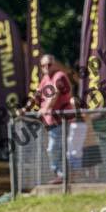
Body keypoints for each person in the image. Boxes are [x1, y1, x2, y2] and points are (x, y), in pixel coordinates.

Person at [28, 54, 72, 185]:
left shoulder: (60, 76)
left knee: (53, 149)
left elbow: (54, 95)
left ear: (55, 64)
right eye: (43, 66)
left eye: (49, 64)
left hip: (61, 121)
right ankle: (61, 175)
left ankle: (62, 175)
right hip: (50, 121)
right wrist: (25, 109)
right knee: (55, 149)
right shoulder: (45, 78)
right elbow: (37, 94)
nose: (46, 67)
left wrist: (44, 109)